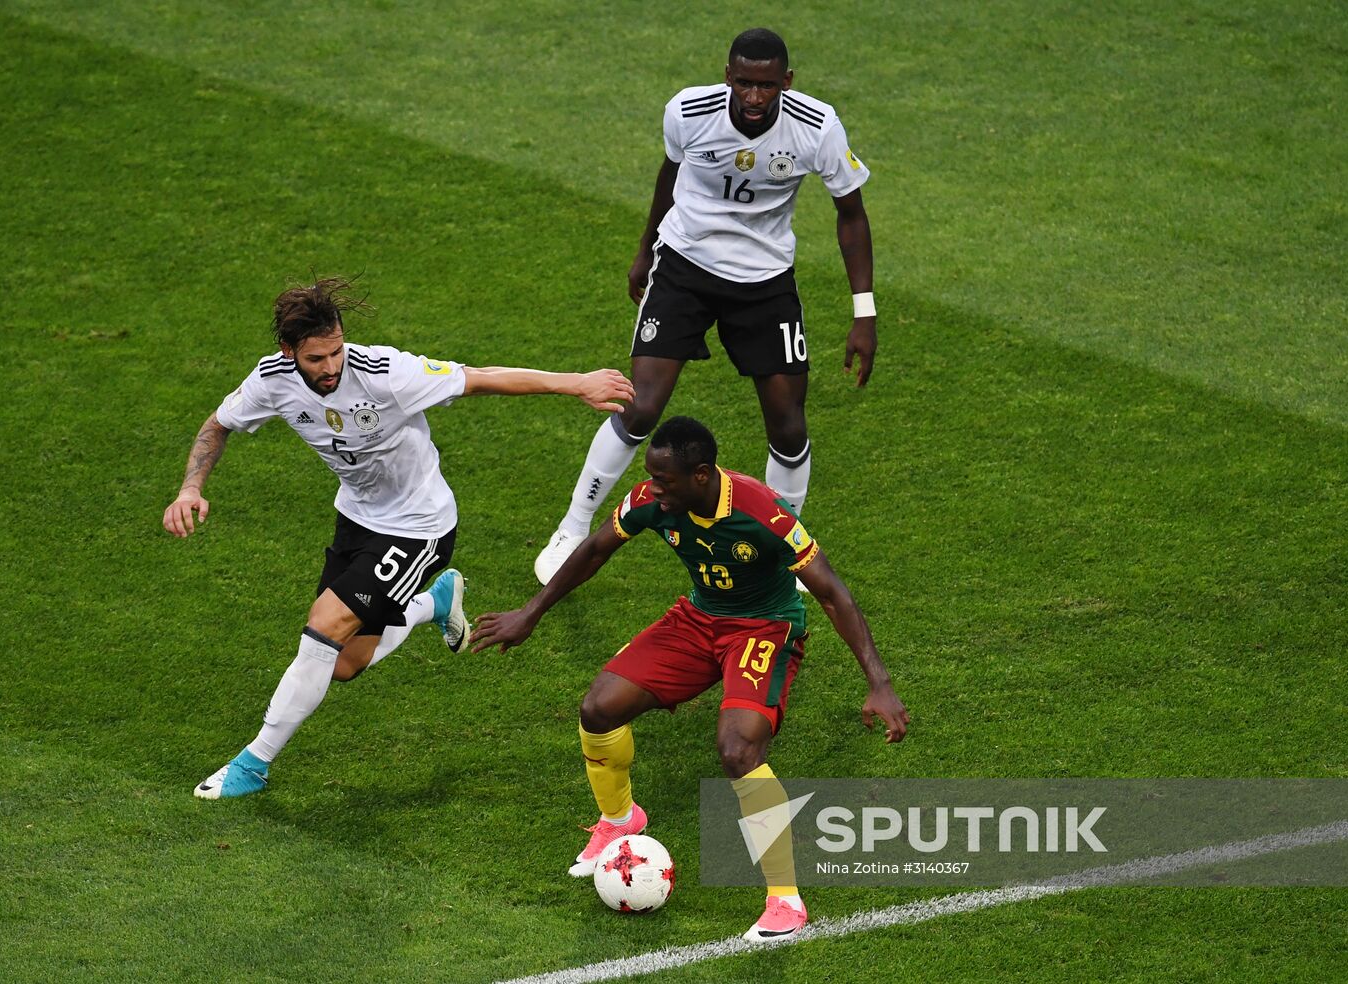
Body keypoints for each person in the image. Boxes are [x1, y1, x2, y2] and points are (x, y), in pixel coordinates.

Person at [163, 276, 633, 799]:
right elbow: (218, 424)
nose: (331, 366)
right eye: (316, 358)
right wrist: (190, 488)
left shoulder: (385, 372)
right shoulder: (271, 380)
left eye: (337, 351)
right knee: (343, 663)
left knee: (323, 628)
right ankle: (433, 604)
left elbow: (479, 378)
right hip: (356, 519)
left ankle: (253, 764)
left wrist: (577, 382)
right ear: (289, 352)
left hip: (418, 527)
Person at [473, 416, 908, 941]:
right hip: (699, 620)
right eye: (651, 477)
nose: (652, 489)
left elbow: (833, 593)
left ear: (701, 475)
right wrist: (531, 612)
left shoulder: (763, 512)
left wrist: (879, 682)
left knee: (738, 750)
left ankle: (786, 901)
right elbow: (594, 549)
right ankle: (620, 819)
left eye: (664, 480)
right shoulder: (652, 502)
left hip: (765, 628)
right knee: (598, 708)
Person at [535, 27, 877, 585]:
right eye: (743, 83)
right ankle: (572, 528)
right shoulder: (688, 112)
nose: (754, 96)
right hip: (684, 268)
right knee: (640, 405)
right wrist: (646, 249)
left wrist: (864, 312)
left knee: (788, 425)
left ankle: (781, 552)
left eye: (767, 86)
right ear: (727, 76)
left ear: (787, 82)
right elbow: (669, 175)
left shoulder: (817, 127)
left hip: (765, 280)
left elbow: (852, 214)